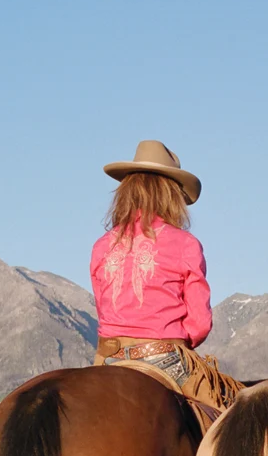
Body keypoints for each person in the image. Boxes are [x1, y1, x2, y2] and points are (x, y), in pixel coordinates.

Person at [89, 139, 212, 384]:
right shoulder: (185, 244)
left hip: (108, 359)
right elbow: (200, 324)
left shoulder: (102, 246)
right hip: (165, 359)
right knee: (222, 410)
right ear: (171, 194)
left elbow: (104, 309)